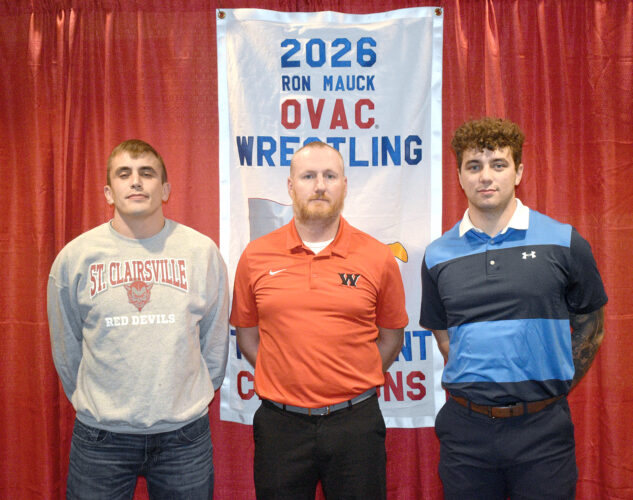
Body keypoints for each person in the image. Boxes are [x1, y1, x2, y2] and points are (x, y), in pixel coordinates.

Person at [420, 117, 607, 500]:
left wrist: (547, 390)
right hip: (466, 433)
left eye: (498, 164)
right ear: (459, 176)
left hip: (543, 432)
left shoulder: (564, 242)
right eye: (474, 166)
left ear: (518, 172)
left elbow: (592, 325)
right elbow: (444, 335)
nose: (486, 176)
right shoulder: (437, 256)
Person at [47, 139, 229, 499]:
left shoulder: (201, 252)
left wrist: (183, 402)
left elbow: (215, 342)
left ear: (165, 190)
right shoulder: (75, 258)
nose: (135, 182)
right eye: (124, 174)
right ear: (108, 192)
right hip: (101, 438)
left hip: (184, 437)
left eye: (147, 173)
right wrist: (98, 405)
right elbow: (67, 347)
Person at [230, 140, 408, 499]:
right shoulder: (256, 255)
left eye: (330, 175)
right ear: (290, 185)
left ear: (344, 184)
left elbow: (391, 337)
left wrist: (350, 380)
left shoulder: (377, 256)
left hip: (356, 425)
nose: (320, 185)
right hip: (281, 426)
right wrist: (286, 377)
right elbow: (248, 336)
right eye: (308, 176)